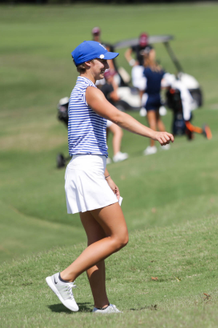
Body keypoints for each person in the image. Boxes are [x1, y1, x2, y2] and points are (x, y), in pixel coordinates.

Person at [45, 41, 173, 313]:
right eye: (103, 61)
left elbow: (85, 138)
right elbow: (118, 116)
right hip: (86, 171)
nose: (108, 65)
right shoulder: (89, 91)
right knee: (119, 236)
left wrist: (106, 174)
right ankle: (63, 278)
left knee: (97, 242)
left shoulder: (83, 90)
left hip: (86, 169)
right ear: (89, 63)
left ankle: (101, 306)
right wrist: (154, 133)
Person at [91, 27, 128, 163]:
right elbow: (114, 98)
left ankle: (104, 157)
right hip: (105, 113)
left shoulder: (100, 86)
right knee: (118, 132)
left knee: (105, 135)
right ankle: (117, 154)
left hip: (102, 114)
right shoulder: (106, 86)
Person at [164, 73, 212, 140]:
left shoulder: (176, 88)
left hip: (184, 109)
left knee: (187, 125)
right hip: (181, 110)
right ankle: (190, 135)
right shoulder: (176, 86)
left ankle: (203, 131)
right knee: (182, 125)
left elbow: (183, 100)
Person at [141, 53, 170, 155]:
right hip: (158, 97)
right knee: (159, 120)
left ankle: (152, 146)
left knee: (152, 123)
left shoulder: (147, 71)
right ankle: (166, 142)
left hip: (150, 98)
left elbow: (142, 85)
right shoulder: (159, 70)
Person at [124, 32, 155, 115]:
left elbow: (152, 57)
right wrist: (132, 62)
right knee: (140, 87)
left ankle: (149, 104)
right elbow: (127, 54)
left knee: (148, 86)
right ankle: (142, 105)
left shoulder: (149, 47)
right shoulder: (136, 46)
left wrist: (148, 63)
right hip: (138, 69)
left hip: (146, 68)